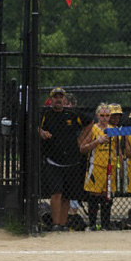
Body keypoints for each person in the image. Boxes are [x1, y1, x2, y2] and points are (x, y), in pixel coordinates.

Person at [40, 87, 92, 231]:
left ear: (64, 99)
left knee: (67, 195)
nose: (58, 99)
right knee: (56, 192)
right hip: (52, 160)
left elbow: (90, 122)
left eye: (60, 97)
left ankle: (63, 224)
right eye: (55, 97)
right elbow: (33, 125)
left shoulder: (72, 114)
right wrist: (41, 132)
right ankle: (55, 224)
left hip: (71, 161)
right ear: (51, 99)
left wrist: (81, 139)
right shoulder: (45, 113)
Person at [80, 103, 116, 231]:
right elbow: (82, 148)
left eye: (107, 115)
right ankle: (93, 224)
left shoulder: (113, 129)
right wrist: (96, 142)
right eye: (102, 115)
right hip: (96, 166)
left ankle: (105, 224)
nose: (105, 118)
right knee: (94, 195)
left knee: (107, 195)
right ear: (97, 116)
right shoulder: (94, 129)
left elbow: (119, 151)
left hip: (110, 167)